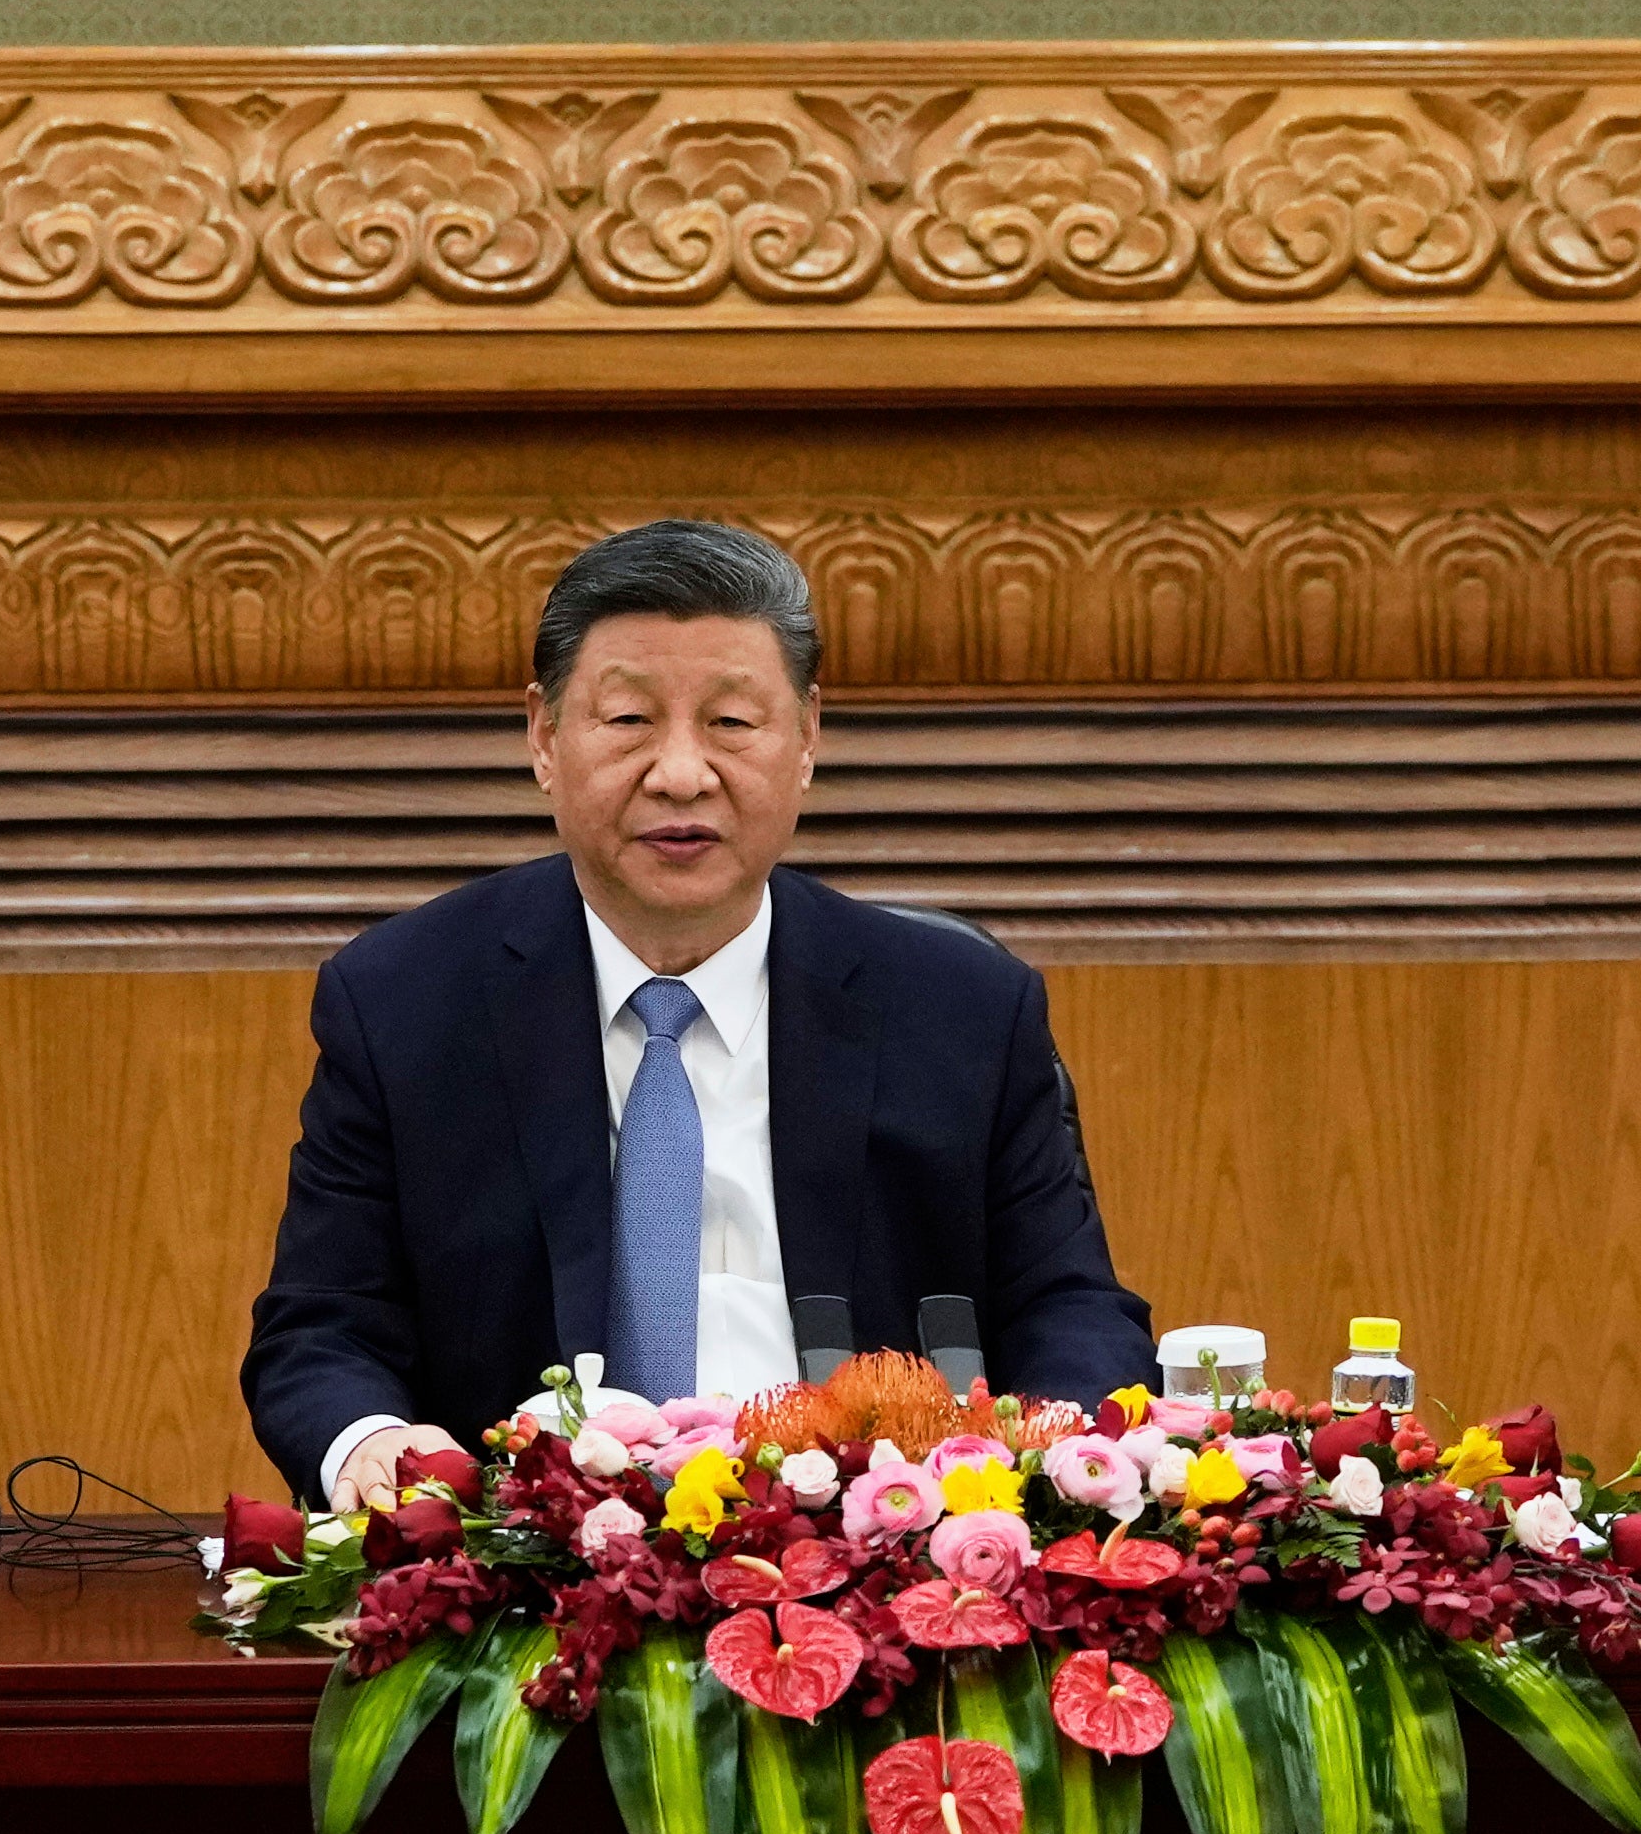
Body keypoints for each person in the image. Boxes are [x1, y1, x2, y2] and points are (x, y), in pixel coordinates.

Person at [241, 519, 1152, 1506]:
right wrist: (377, 1447)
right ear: (544, 737)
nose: (682, 773)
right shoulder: (406, 1000)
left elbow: (1072, 1312)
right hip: (530, 1578)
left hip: (879, 1562)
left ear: (806, 737)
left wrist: (1056, 1468)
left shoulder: (960, 1006)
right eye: (629, 720)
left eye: (731, 723)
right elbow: (321, 1329)